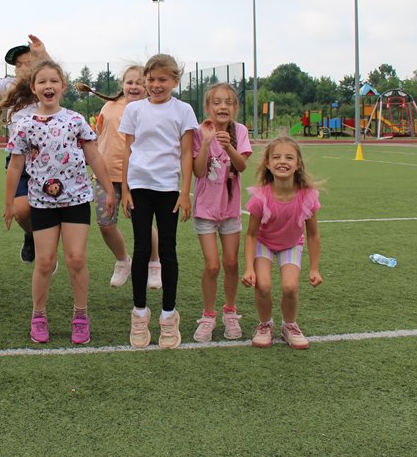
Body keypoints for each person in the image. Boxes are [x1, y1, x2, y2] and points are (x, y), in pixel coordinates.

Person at [4, 60, 115, 345]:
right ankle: (38, 316)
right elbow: (15, 167)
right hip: (42, 203)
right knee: (44, 261)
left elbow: (94, 156)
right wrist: (8, 203)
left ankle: (80, 316)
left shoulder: (75, 120)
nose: (48, 86)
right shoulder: (25, 125)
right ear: (34, 88)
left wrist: (109, 190)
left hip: (76, 200)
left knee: (76, 258)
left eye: (53, 81)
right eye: (42, 81)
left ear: (63, 86)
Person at [119, 54, 197, 349]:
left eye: (162, 79)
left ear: (175, 81)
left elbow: (186, 153)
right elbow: (128, 151)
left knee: (167, 249)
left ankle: (168, 315)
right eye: (151, 79)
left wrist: (185, 192)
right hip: (139, 186)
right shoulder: (134, 109)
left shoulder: (183, 110)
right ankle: (139, 313)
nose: (155, 85)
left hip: (168, 189)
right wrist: (125, 189)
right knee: (141, 249)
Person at [77, 66, 165, 289]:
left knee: (142, 223)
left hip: (137, 178)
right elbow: (99, 137)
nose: (134, 87)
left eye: (139, 83)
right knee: (105, 225)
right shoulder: (109, 107)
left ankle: (155, 263)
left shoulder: (151, 110)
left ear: (147, 86)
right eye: (129, 82)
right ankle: (123, 260)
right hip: (106, 177)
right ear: (122, 85)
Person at [0, 35, 48, 262]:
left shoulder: (45, 85)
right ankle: (31, 236)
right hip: (18, 156)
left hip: (46, 157)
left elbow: (55, 76)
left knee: (47, 209)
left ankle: (46, 248)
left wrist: (43, 54)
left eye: (28, 63)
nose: (22, 68)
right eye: (18, 65)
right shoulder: (9, 86)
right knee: (21, 211)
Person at [241, 136, 322, 350]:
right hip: (264, 244)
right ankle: (265, 324)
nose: (282, 161)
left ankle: (290, 325)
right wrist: (249, 268)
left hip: (291, 244)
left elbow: (313, 234)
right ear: (268, 163)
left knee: (290, 286)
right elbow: (251, 235)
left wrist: (314, 268)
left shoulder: (307, 196)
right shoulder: (261, 197)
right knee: (263, 284)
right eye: (276, 157)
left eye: (289, 157)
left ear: (298, 164)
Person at [191, 83, 252, 342]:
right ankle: (208, 315)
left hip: (230, 209)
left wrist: (228, 147)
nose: (222, 106)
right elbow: (198, 171)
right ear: (208, 107)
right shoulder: (199, 132)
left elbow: (242, 166)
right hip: (205, 209)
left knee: (231, 262)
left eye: (228, 102)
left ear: (235, 107)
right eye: (216, 102)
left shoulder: (240, 131)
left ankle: (230, 311)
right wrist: (207, 142)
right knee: (212, 265)